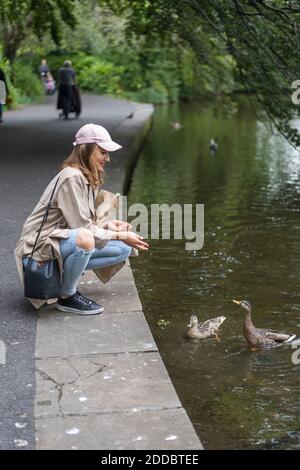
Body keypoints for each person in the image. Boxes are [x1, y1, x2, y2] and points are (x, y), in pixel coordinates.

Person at [14, 123, 149, 314]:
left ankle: (65, 277)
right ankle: (67, 296)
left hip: (59, 239)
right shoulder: (72, 177)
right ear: (87, 149)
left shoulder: (86, 176)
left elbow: (82, 223)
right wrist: (119, 234)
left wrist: (109, 225)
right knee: (89, 239)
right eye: (103, 152)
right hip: (37, 248)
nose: (107, 158)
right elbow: (83, 231)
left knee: (123, 249)